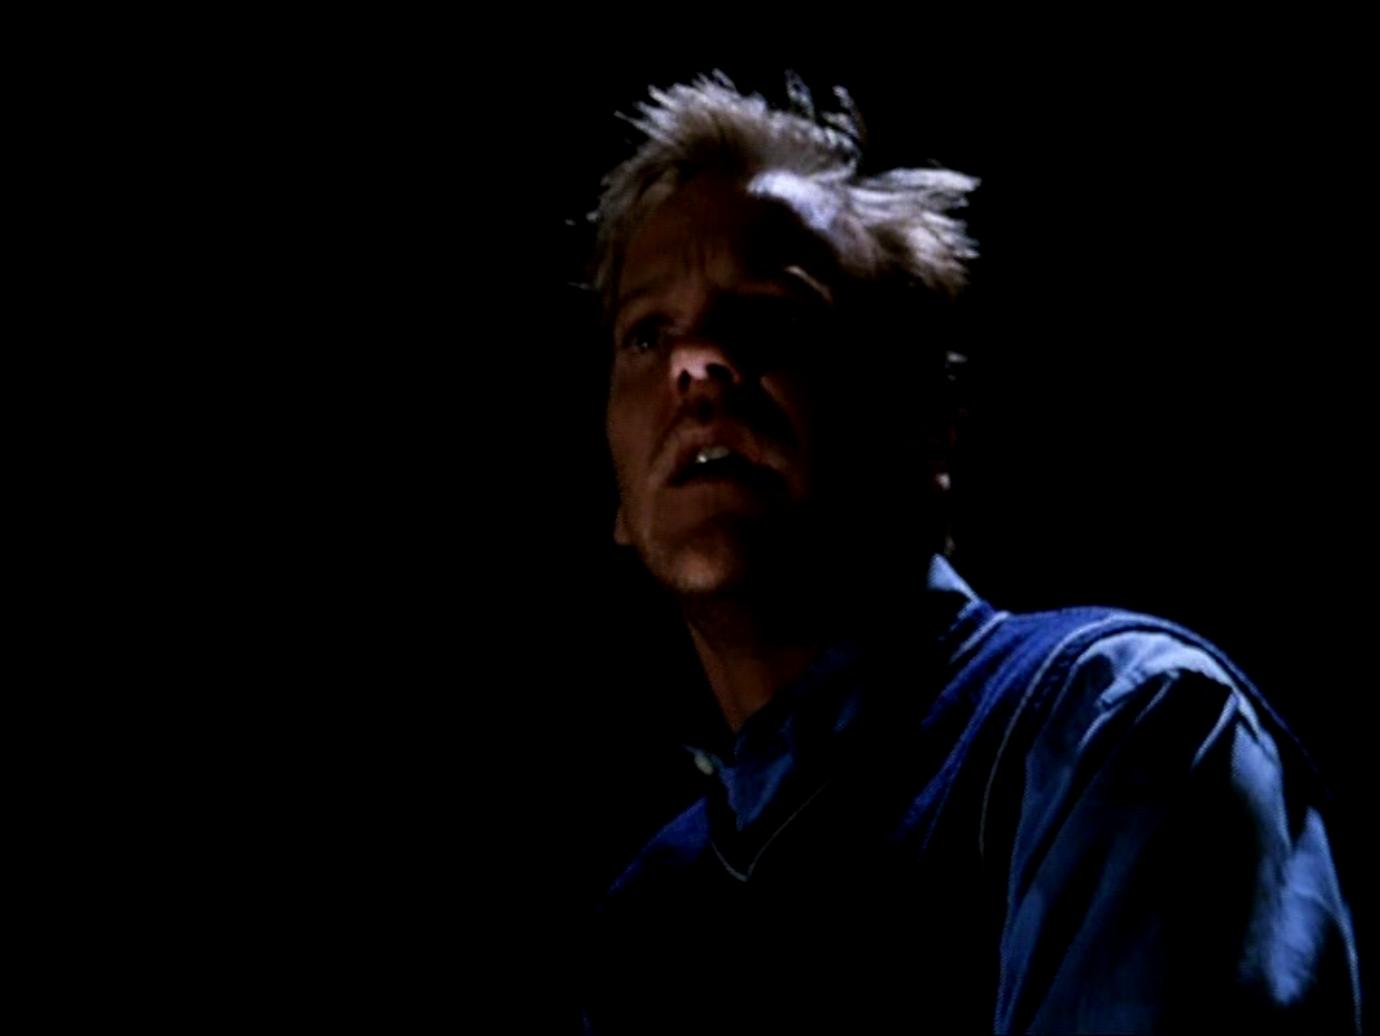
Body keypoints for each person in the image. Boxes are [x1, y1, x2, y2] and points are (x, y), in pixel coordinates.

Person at [580, 73, 1361, 1033]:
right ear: (618, 497)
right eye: (646, 333)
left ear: (928, 424)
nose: (695, 361)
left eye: (775, 317)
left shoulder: (1120, 729)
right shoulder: (642, 924)